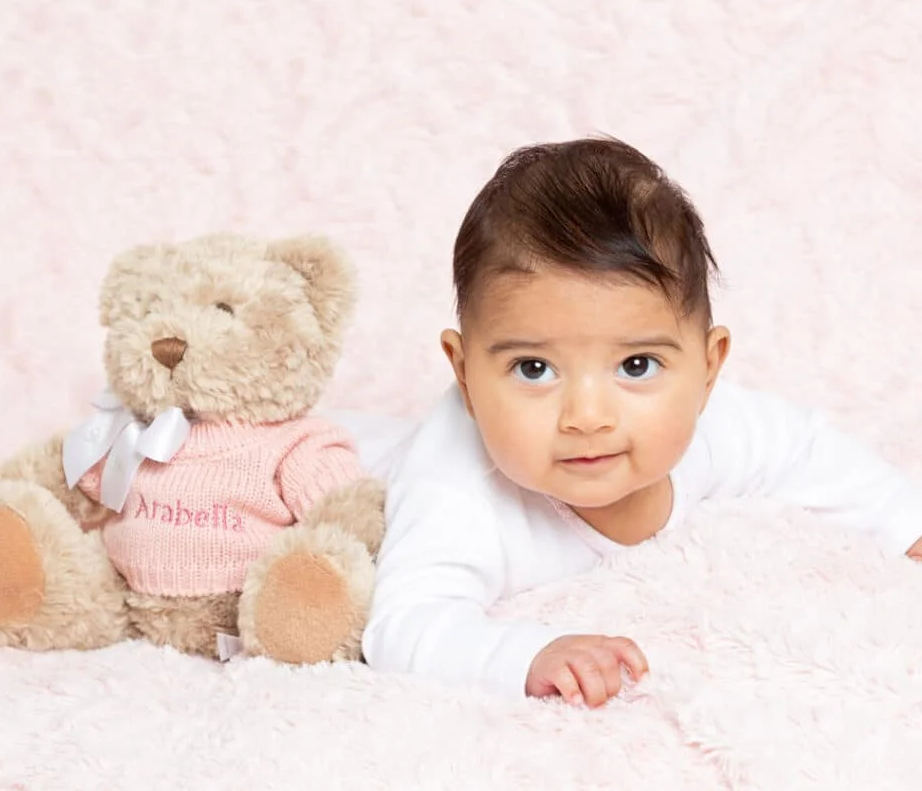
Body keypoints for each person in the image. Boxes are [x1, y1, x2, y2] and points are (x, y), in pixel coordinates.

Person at [360, 137, 922, 708]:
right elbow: (403, 627)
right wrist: (524, 655)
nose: (587, 417)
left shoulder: (713, 425)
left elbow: (806, 451)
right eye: (533, 369)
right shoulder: (455, 490)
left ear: (708, 368)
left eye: (635, 365)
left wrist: (907, 525)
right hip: (345, 453)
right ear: (464, 374)